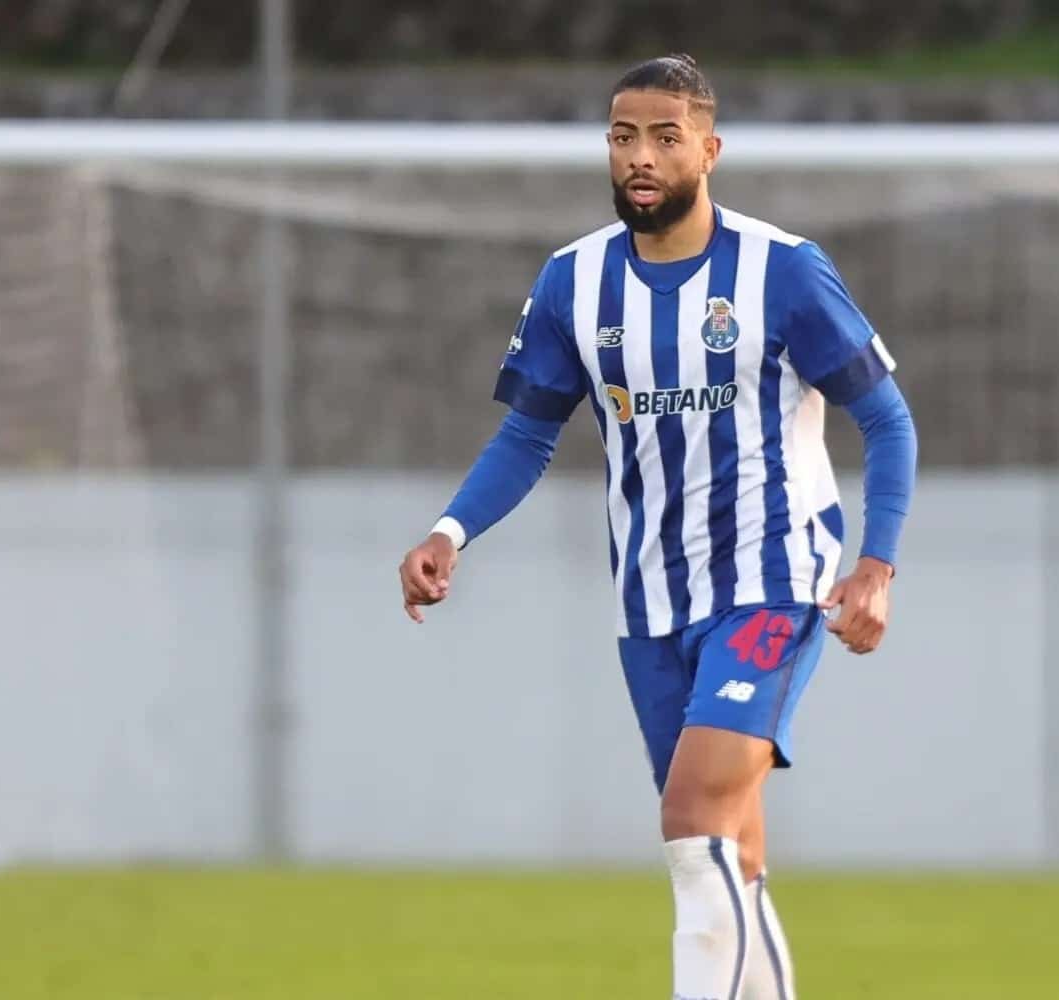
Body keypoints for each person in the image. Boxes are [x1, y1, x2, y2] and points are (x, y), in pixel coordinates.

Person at [396, 53, 917, 1000]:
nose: (641, 156)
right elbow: (528, 433)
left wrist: (875, 566)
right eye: (623, 136)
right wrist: (450, 530)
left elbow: (886, 419)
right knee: (731, 854)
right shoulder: (572, 284)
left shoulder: (782, 272)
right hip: (651, 603)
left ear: (708, 151)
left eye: (665, 137)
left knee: (690, 818)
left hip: (773, 579)